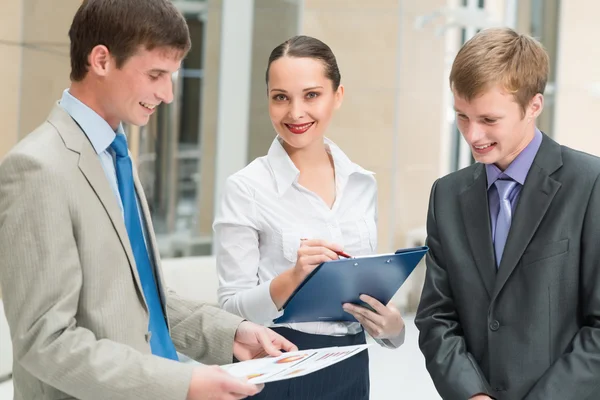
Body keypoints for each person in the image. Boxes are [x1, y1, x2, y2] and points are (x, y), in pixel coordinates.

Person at [0, 1, 297, 399]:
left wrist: (230, 334)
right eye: (156, 74)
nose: (168, 94)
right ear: (101, 60)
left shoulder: (115, 156)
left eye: (171, 76)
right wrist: (183, 384)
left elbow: (139, 301)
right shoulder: (37, 169)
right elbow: (47, 342)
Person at [213, 35, 406, 400]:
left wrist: (392, 328)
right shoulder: (246, 188)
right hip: (277, 365)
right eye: (280, 97)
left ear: (338, 96)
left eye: (312, 95)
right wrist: (292, 278)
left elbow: (368, 292)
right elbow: (229, 310)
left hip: (352, 364)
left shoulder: (363, 183)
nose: (295, 112)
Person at [415, 27, 600, 400]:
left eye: (488, 119)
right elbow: (437, 317)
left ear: (533, 106)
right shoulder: (446, 195)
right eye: (462, 117)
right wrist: (472, 394)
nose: (472, 135)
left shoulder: (590, 184)